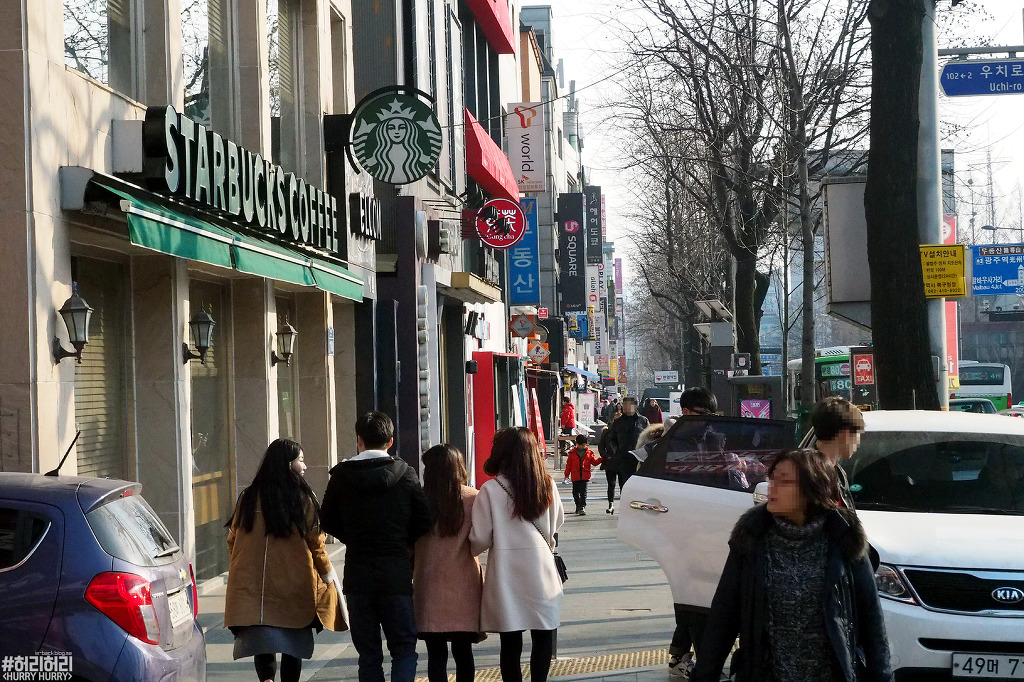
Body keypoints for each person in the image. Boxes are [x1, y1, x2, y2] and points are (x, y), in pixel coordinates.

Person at [690, 449, 893, 682]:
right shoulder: (751, 538)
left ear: (812, 488)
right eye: (771, 478)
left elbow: (872, 620)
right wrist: (705, 675)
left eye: (784, 481)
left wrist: (882, 676)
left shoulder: (844, 539)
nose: (771, 487)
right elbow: (723, 616)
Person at [319, 412, 433, 682]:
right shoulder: (406, 474)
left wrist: (353, 537)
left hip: (359, 576)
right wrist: (402, 541)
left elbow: (327, 519)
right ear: (390, 441)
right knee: (404, 649)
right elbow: (424, 519)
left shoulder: (342, 476)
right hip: (396, 573)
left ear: (359, 440)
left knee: (368, 654)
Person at [224, 439, 346, 682]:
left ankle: (267, 680)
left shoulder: (248, 497)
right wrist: (327, 574)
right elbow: (316, 541)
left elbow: (232, 539)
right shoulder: (302, 498)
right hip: (294, 581)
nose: (305, 466)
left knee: (262, 639)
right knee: (293, 643)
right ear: (288, 464)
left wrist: (241, 566)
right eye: (300, 460)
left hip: (254, 585)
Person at [470, 428, 565, 682]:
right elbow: (557, 523)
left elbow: (479, 538)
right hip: (542, 570)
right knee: (543, 635)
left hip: (506, 572)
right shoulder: (547, 485)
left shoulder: (490, 490)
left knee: (510, 642)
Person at [414, 444, 483, 682]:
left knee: (436, 655)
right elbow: (481, 539)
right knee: (464, 652)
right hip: (464, 586)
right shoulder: (473, 498)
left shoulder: (418, 500)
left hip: (427, 585)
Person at [810, 396, 866, 509]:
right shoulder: (808, 473)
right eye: (858, 433)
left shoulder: (836, 471)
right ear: (846, 434)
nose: (858, 442)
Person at [604, 396, 650, 512]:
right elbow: (611, 439)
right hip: (623, 459)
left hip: (639, 459)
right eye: (624, 405)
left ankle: (638, 506)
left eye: (628, 405)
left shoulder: (643, 421)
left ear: (635, 406)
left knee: (639, 486)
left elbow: (650, 438)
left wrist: (645, 453)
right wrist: (616, 451)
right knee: (624, 485)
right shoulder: (618, 422)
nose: (624, 407)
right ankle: (626, 508)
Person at [563, 434, 603, 515]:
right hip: (575, 476)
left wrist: (602, 459)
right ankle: (578, 506)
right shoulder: (572, 453)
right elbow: (568, 465)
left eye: (584, 445)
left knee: (583, 493)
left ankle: (582, 507)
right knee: (575, 493)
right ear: (577, 444)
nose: (582, 446)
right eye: (580, 445)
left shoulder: (589, 453)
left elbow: (594, 462)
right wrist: (566, 475)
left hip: (585, 476)